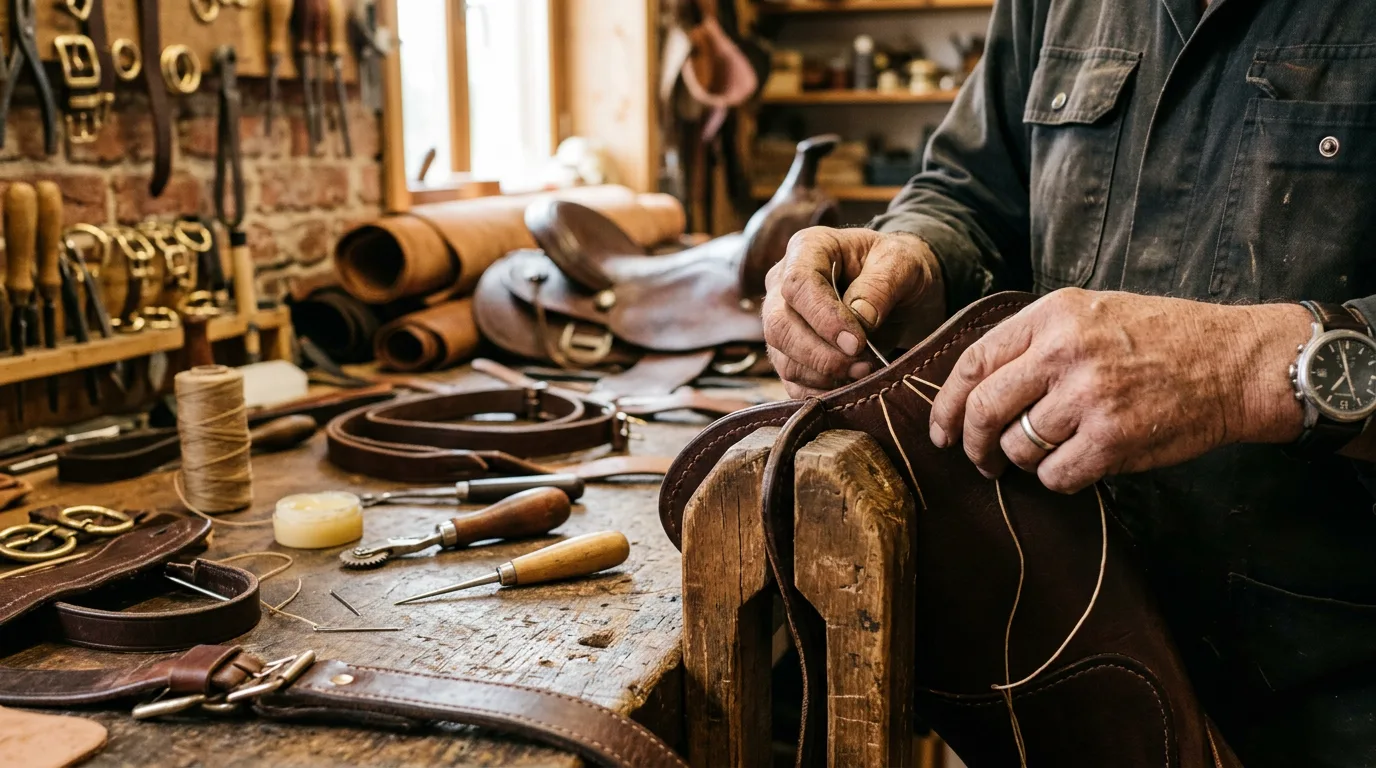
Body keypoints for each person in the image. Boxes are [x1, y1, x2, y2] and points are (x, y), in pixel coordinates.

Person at [760, 1, 1376, 765]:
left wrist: (1247, 368)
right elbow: (971, 191)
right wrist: (919, 257)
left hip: (1331, 692)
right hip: (1060, 651)